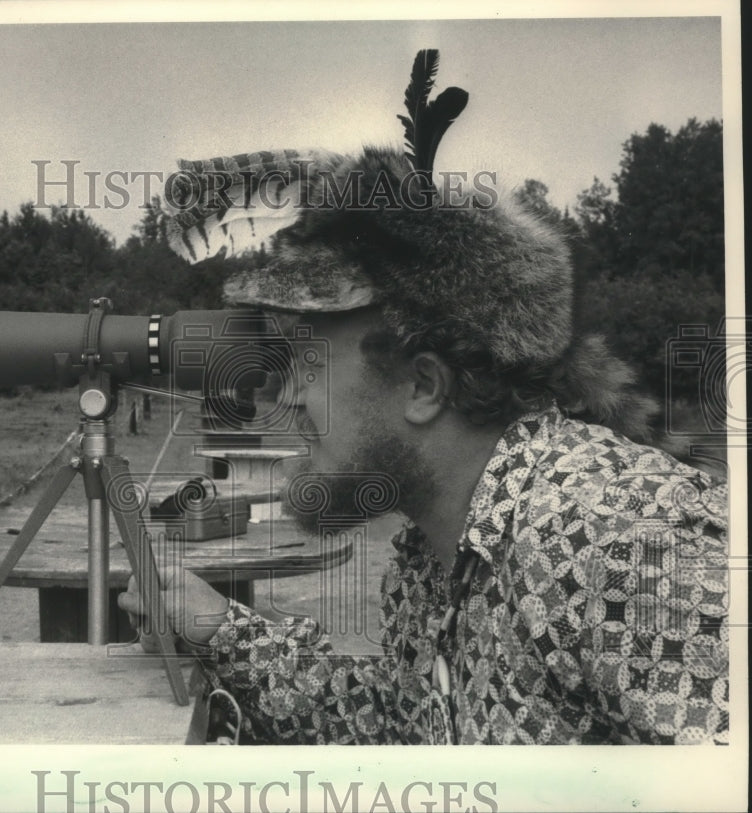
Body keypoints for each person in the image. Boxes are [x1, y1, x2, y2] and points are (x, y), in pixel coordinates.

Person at [118, 50, 729, 745]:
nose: (281, 396)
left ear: (423, 385)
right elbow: (390, 717)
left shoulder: (613, 547)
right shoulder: (432, 552)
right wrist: (220, 626)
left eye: (308, 359)